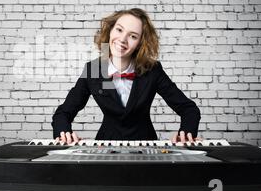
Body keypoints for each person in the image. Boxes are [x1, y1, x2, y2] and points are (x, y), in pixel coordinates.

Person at [52, 8, 201, 144]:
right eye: (119, 30)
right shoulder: (94, 69)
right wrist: (64, 132)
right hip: (105, 146)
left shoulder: (153, 69)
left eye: (133, 36)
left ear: (140, 43)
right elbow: (63, 113)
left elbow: (189, 109)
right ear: (110, 30)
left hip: (146, 147)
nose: (122, 40)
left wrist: (186, 133)